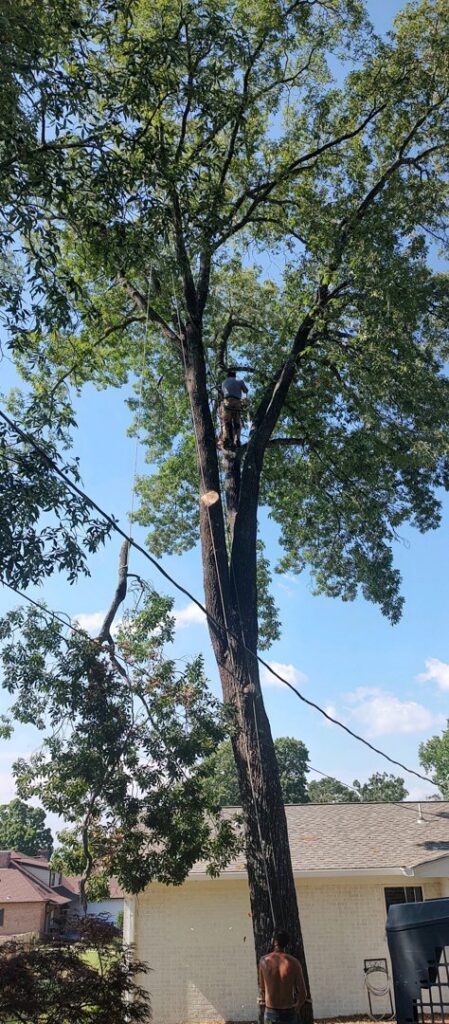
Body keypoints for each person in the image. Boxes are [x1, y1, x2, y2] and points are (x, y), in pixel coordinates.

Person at [258, 929, 307, 1024]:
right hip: (289, 1012)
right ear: (286, 943)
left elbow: (262, 988)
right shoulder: (294, 962)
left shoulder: (263, 961)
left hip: (271, 1012)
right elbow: (303, 993)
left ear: (274, 942)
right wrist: (296, 1008)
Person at [218, 369, 248, 450]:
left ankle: (227, 438)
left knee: (226, 422)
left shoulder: (224, 382)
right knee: (237, 422)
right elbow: (246, 390)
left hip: (227, 402)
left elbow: (221, 394)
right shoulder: (239, 382)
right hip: (237, 402)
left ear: (228, 376)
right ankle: (237, 439)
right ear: (234, 375)